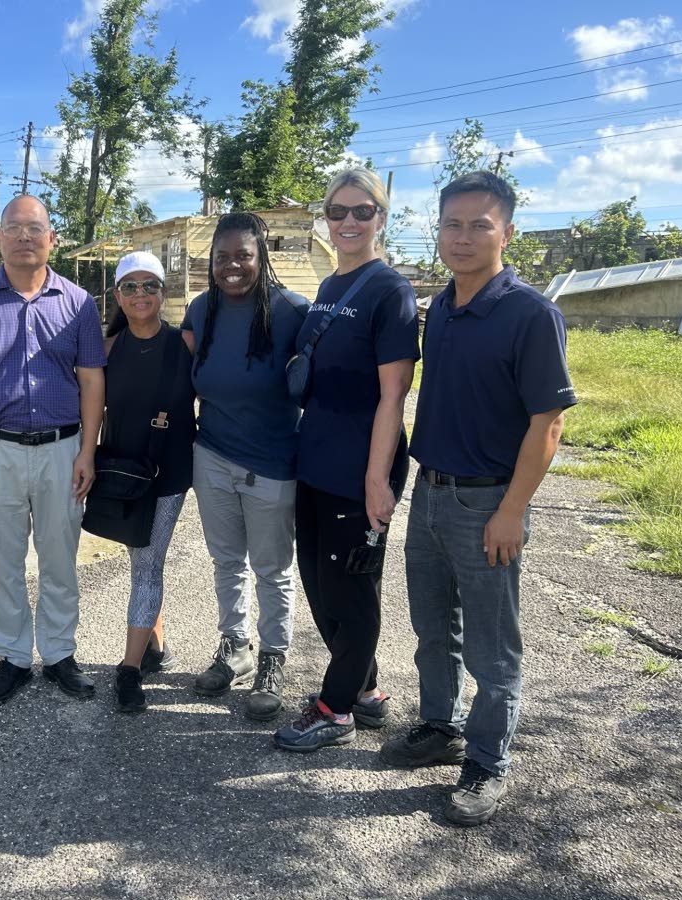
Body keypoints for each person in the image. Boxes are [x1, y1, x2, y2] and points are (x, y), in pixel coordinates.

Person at [380, 171, 577, 827]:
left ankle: (487, 763)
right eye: (452, 224)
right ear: (437, 231)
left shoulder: (530, 313)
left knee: (494, 649)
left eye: (479, 225)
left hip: (489, 504)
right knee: (434, 632)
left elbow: (547, 426)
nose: (462, 237)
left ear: (507, 232)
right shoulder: (443, 311)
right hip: (431, 496)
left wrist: (512, 511)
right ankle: (440, 727)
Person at [272, 168, 420, 753]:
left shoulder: (390, 291)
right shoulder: (331, 286)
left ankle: (334, 709)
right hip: (316, 458)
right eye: (338, 212)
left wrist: (376, 479)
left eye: (362, 211)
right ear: (325, 221)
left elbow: (393, 395)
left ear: (381, 219)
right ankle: (364, 686)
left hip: (361, 466)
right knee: (317, 579)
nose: (349, 222)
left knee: (350, 589)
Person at [0, 195, 106, 703]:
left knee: (60, 556)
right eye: (13, 227)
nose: (24, 237)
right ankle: (12, 657)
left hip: (63, 449)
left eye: (34, 228)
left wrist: (88, 452)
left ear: (51, 238)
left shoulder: (79, 302)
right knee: (2, 558)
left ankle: (59, 653)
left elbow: (91, 381)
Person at [181, 212, 310, 721]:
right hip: (211, 455)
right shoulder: (200, 309)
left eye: (243, 255)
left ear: (262, 258)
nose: (232, 266)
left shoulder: (292, 311)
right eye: (222, 257)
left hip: (273, 464)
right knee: (225, 561)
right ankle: (235, 647)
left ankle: (273, 658)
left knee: (272, 569)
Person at [100, 252, 197, 713]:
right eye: (130, 286)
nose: (140, 294)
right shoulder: (106, 347)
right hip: (119, 473)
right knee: (142, 555)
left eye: (150, 285)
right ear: (117, 294)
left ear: (164, 290)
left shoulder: (186, 343)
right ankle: (154, 646)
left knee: (146, 563)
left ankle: (128, 669)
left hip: (169, 474)